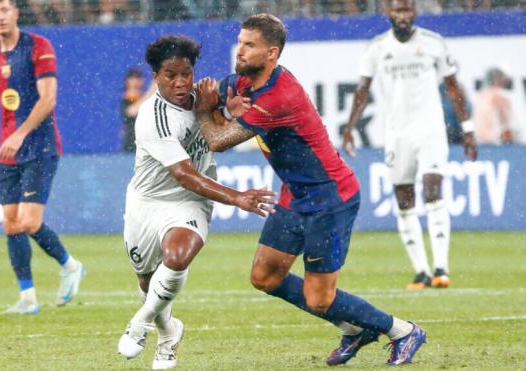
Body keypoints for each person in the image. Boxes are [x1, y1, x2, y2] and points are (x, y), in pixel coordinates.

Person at [196, 13, 426, 366]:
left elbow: (217, 139)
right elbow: (213, 93)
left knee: (319, 298)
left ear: (272, 53)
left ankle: (402, 331)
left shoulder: (277, 97)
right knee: (264, 277)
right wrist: (205, 98)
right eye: (240, 41)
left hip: (330, 199)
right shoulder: (246, 80)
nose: (239, 50)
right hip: (295, 194)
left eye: (249, 45)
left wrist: (204, 109)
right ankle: (354, 328)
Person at [116, 35, 276, 370]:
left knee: (178, 256)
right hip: (148, 201)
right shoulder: (152, 117)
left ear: (193, 72)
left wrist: (227, 115)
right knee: (147, 282)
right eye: (170, 75)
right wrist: (237, 197)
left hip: (191, 201)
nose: (179, 82)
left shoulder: (207, 97)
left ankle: (140, 323)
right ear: (156, 77)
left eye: (185, 73)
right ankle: (169, 333)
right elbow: (185, 174)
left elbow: (216, 140)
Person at [342, 0, 478, 290]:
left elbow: (453, 87)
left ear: (414, 13)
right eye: (397, 11)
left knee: (433, 191)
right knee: (404, 200)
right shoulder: (377, 48)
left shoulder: (433, 43)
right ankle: (421, 272)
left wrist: (467, 129)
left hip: (430, 130)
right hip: (397, 134)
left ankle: (441, 268)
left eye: (407, 11)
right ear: (387, 13)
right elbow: (362, 90)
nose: (402, 16)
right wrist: (350, 128)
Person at [0, 0, 85, 315]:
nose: (1, 15)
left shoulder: (38, 47)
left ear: (16, 13)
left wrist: (20, 134)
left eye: (5, 9)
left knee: (29, 222)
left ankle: (70, 265)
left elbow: (48, 98)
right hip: (8, 153)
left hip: (40, 147)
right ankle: (28, 297)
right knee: (10, 224)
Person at [473, 67, 515, 145]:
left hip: (480, 142)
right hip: (496, 142)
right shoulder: (500, 95)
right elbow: (508, 124)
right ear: (496, 79)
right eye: (502, 78)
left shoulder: (481, 95)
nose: (504, 80)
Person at [119, 68, 155, 153]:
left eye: (138, 78)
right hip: (132, 147)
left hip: (147, 147)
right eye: (132, 78)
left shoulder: (148, 100)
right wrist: (152, 90)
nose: (135, 81)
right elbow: (132, 111)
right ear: (127, 82)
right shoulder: (125, 101)